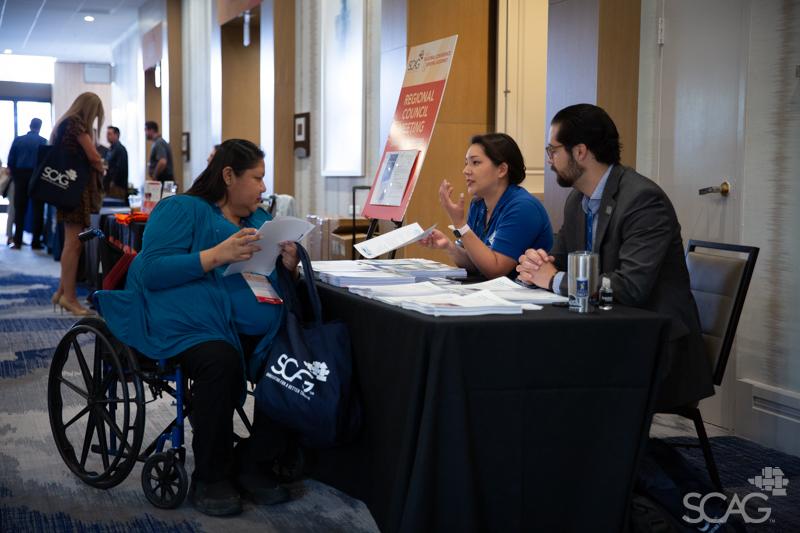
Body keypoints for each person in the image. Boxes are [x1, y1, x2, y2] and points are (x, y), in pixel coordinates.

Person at [96, 139, 298, 517]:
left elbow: (263, 275)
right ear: (228, 176)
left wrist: (287, 266)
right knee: (218, 360)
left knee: (292, 357)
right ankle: (212, 474)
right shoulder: (181, 209)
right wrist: (216, 256)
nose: (263, 188)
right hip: (183, 319)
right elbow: (153, 271)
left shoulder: (258, 221)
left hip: (241, 319)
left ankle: (254, 461)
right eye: (257, 178)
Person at [516, 103, 713, 410]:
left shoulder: (643, 200)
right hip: (603, 331)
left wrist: (554, 280)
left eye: (552, 150)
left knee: (545, 371)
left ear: (580, 151)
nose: (550, 160)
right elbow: (557, 257)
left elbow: (632, 287)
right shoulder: (577, 200)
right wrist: (535, 263)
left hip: (654, 345)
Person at [420, 133, 553, 279]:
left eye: (475, 163)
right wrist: (449, 247)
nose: (466, 171)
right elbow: (475, 264)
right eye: (466, 163)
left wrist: (460, 224)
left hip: (525, 297)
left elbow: (495, 270)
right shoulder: (478, 204)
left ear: (502, 170)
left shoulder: (523, 208)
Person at [50, 93, 106, 315]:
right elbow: (93, 157)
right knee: (73, 244)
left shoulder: (65, 124)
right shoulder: (76, 125)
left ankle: (61, 292)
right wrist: (101, 167)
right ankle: (70, 298)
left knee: (70, 243)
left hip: (66, 191)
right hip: (75, 193)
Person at [7, 118, 47, 249]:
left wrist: (16, 175)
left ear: (29, 126)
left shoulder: (18, 140)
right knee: (38, 210)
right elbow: (45, 163)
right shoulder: (43, 141)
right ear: (40, 127)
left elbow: (10, 161)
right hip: (36, 178)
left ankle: (17, 241)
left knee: (20, 210)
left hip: (20, 177)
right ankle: (36, 242)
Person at [104, 126, 129, 201]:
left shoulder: (120, 149)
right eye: (107, 134)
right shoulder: (111, 149)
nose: (107, 136)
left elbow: (120, 168)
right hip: (110, 185)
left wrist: (113, 182)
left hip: (117, 186)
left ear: (116, 135)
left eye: (109, 134)